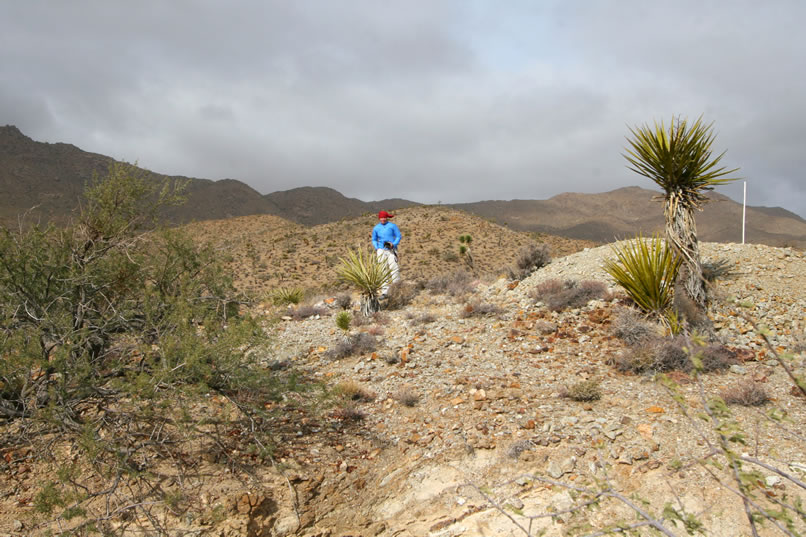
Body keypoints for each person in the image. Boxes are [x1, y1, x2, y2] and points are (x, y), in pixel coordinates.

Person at [371, 210, 401, 297]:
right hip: (381, 250)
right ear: (379, 218)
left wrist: (394, 244)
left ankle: (396, 289)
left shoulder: (392, 226)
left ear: (386, 217)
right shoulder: (376, 228)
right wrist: (377, 247)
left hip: (391, 250)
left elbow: (398, 236)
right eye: (381, 218)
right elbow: (374, 239)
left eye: (384, 217)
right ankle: (385, 292)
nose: (383, 219)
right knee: (382, 270)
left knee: (394, 268)